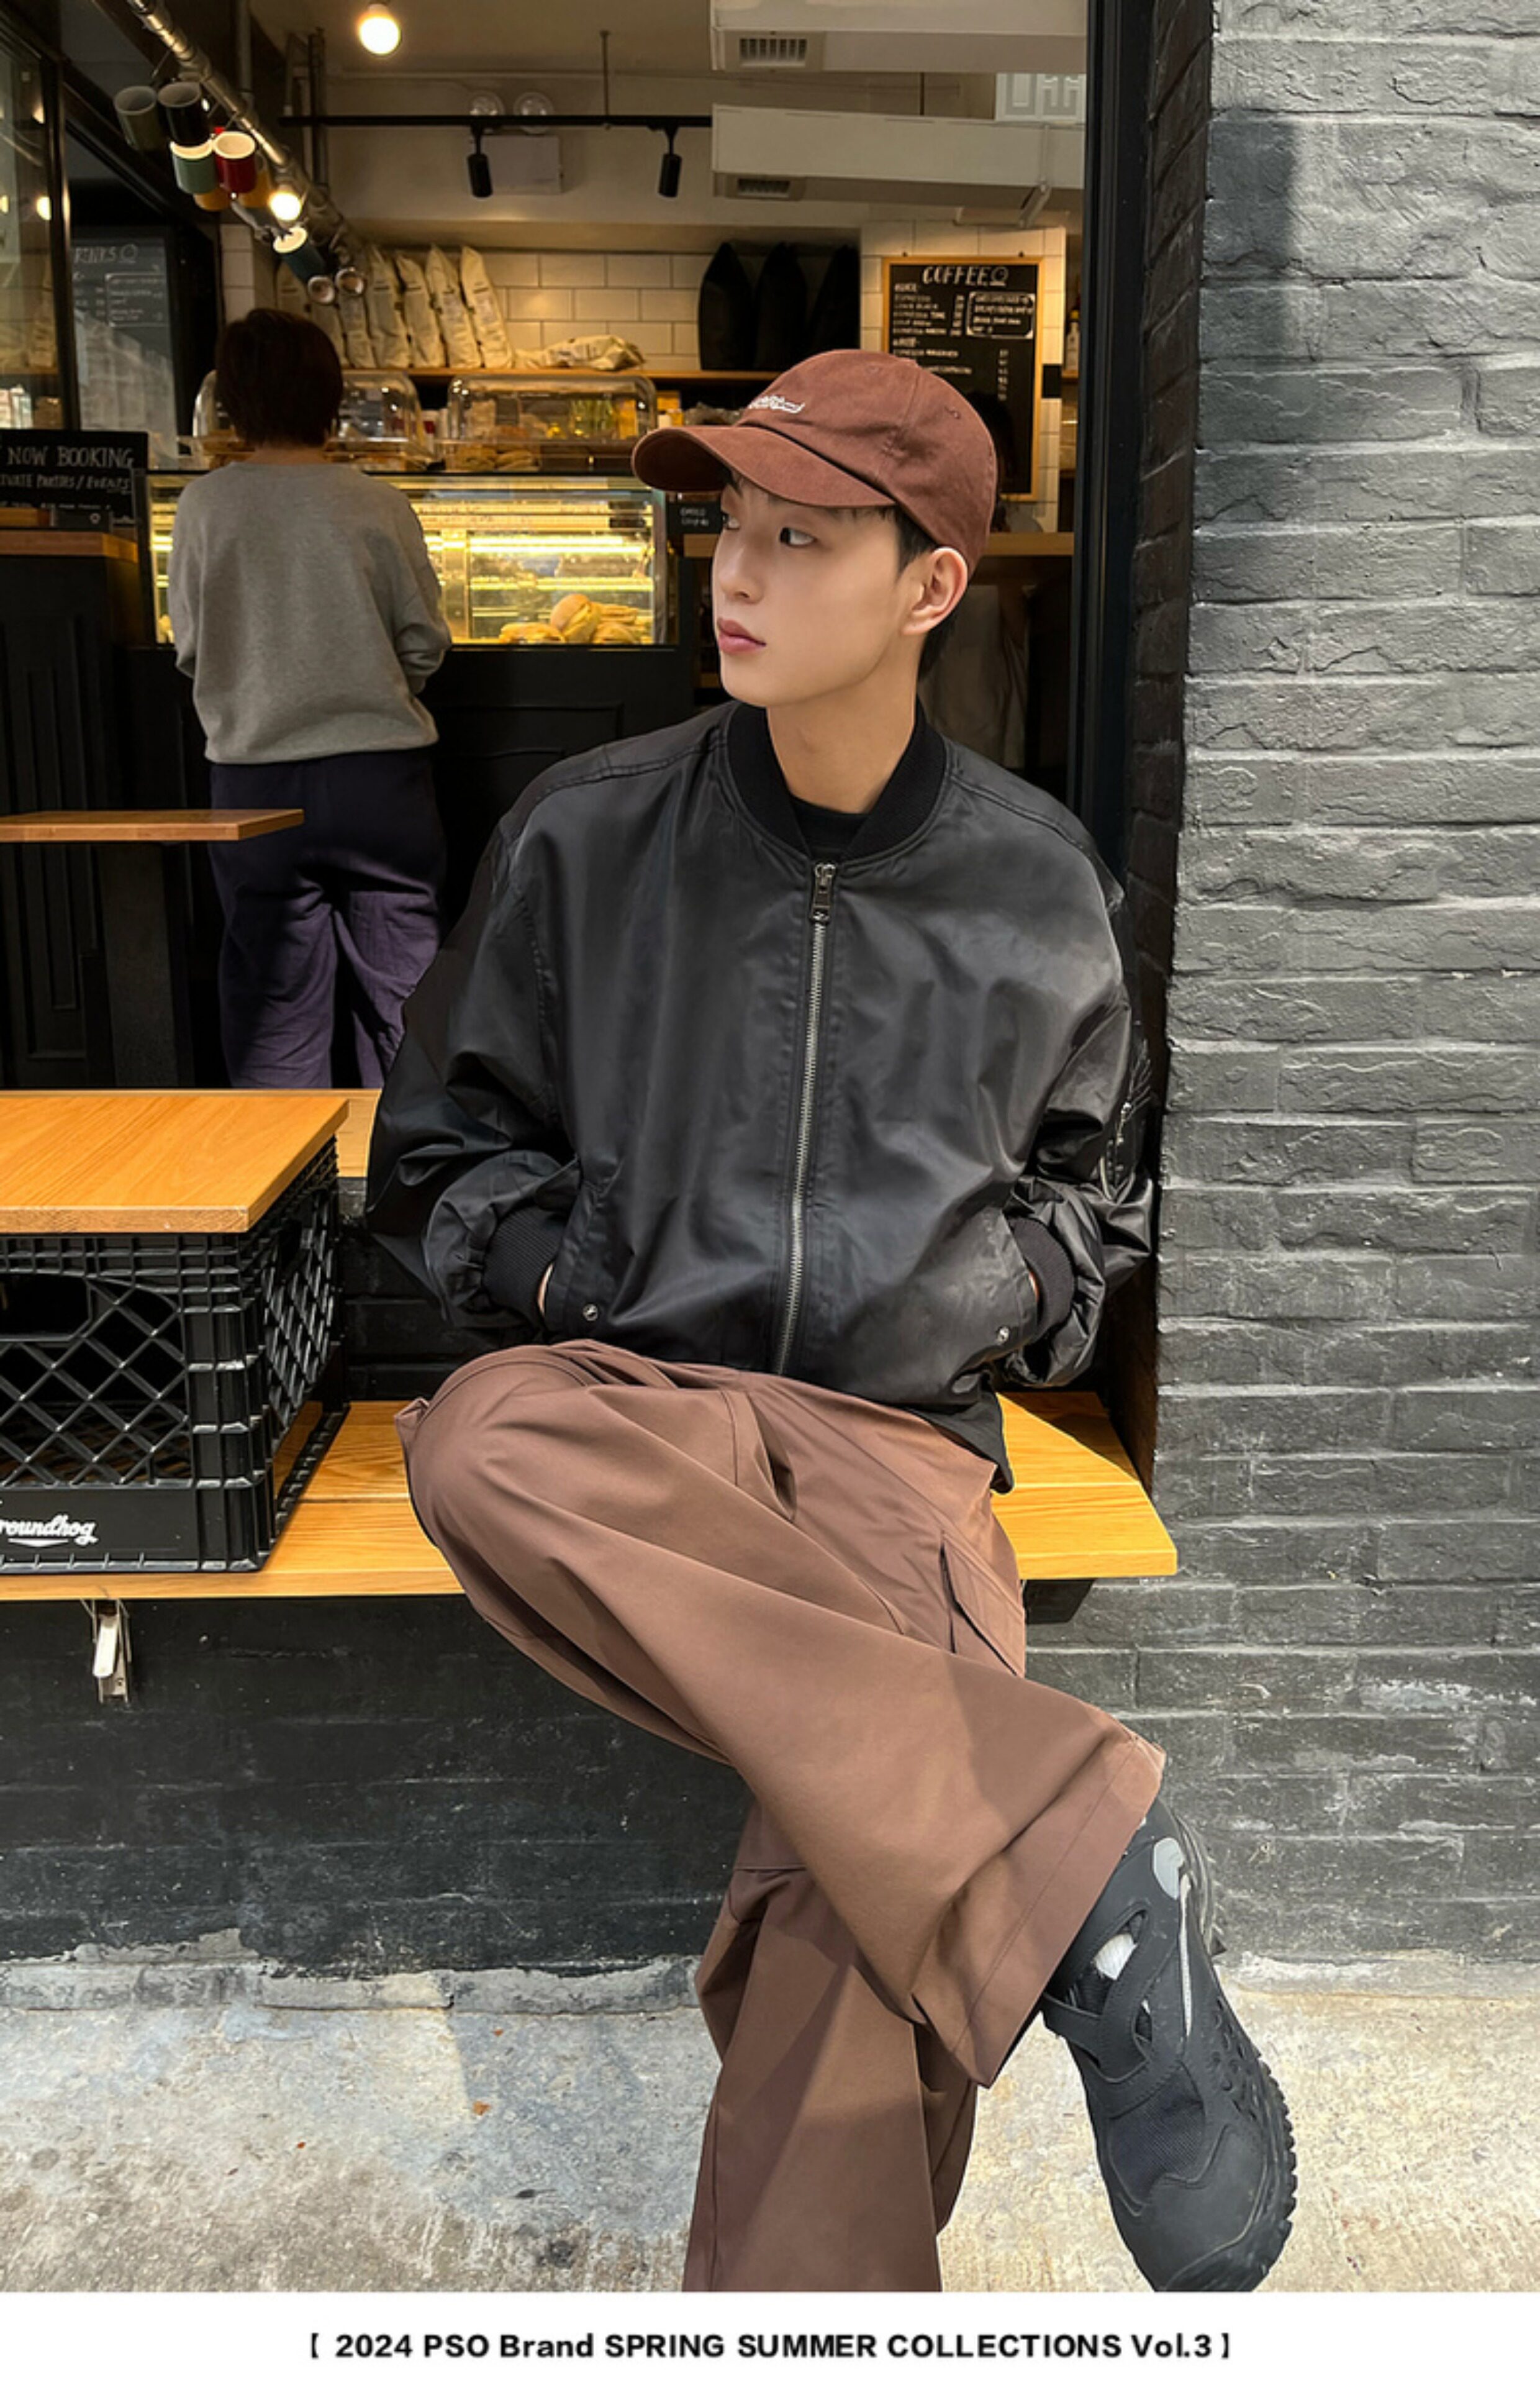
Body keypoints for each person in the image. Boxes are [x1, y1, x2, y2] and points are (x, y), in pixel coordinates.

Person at [363, 349, 1296, 2295]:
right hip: (645, 1420)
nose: (737, 568)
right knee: (477, 1437)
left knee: (852, 1894)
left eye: (802, 535)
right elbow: (439, 1150)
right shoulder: (587, 834)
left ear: (931, 584)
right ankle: (1081, 1865)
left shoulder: (1037, 884)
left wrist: (993, 1298)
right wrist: (579, 1278)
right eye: (730, 523)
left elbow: (1093, 1194)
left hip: (897, 1450)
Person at [167, 307, 452, 1089]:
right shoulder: (378, 503)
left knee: (274, 1010)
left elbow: (190, 649)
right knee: (406, 1000)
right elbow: (424, 642)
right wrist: (367, 683)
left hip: (255, 784)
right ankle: (409, 1163)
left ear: (233, 403)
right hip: (381, 781)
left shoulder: (203, 506)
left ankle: (285, 1168)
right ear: (331, 397)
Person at [917, 388, 1031, 771]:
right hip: (927, 707)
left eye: (993, 454)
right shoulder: (921, 530)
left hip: (989, 713)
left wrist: (1000, 553)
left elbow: (1024, 636)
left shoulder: (1025, 535)